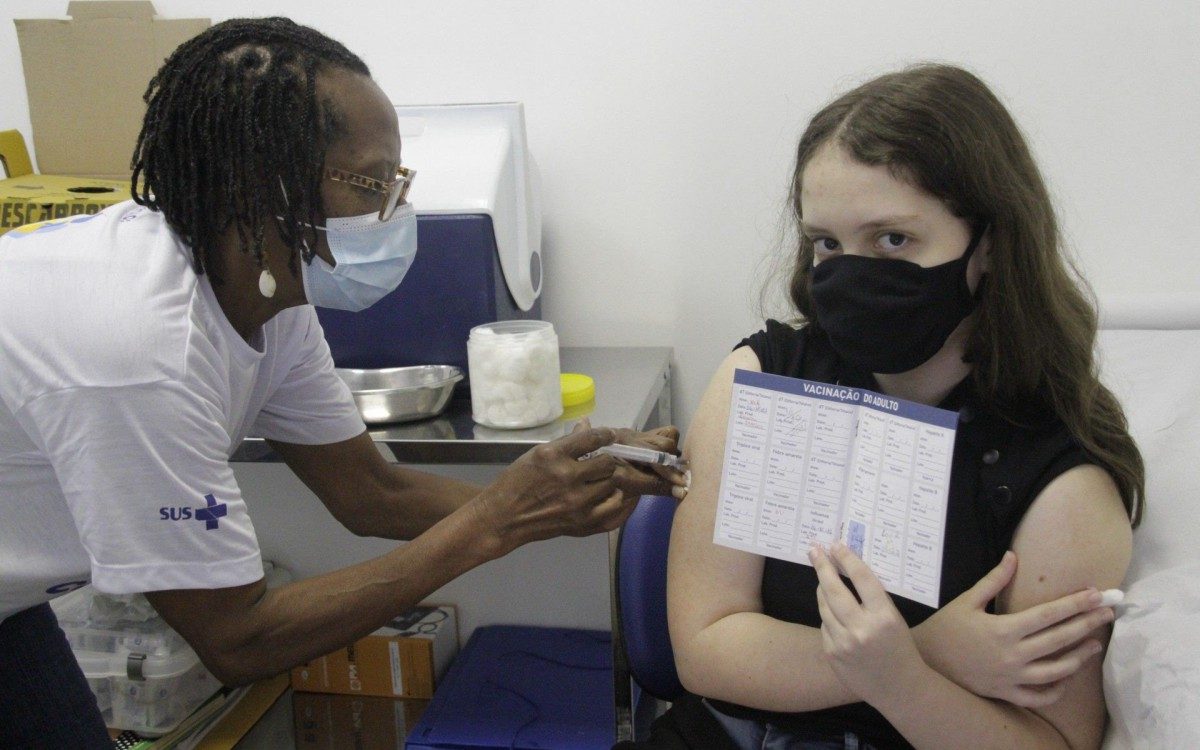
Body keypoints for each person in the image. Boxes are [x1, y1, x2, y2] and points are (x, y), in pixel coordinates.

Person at [0, 18, 684, 748]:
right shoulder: (144, 347)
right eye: (372, 183)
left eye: (398, 182)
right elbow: (238, 638)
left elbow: (370, 493)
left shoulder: (267, 296)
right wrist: (497, 523)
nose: (396, 209)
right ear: (259, 183)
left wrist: (557, 500)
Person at [632, 64, 1143, 749]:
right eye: (828, 243)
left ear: (989, 243)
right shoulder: (764, 378)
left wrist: (903, 679)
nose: (851, 272)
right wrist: (927, 650)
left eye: (893, 240)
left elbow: (1055, 742)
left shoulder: (1057, 476)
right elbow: (706, 648)